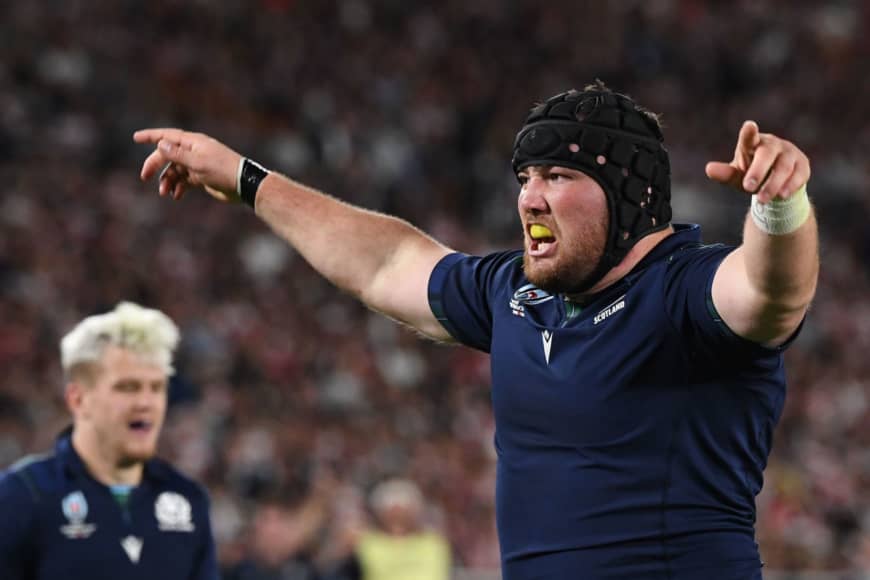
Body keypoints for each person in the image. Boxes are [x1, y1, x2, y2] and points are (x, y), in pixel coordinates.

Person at [133, 82, 818, 579]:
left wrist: (780, 210)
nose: (529, 198)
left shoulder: (684, 293)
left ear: (631, 199)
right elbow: (388, 261)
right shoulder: (514, 295)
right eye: (525, 176)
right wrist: (249, 180)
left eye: (558, 175)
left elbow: (770, 291)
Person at [0, 302, 219, 580]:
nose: (145, 403)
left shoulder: (187, 500)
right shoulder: (22, 495)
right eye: (127, 387)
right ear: (78, 399)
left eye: (157, 388)